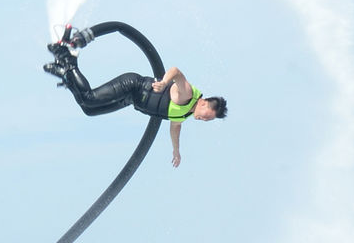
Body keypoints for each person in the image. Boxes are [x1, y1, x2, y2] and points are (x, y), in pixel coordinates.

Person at [43, 25, 227, 167]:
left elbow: (175, 127)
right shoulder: (187, 95)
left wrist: (176, 150)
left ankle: (66, 73)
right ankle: (67, 60)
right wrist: (164, 82)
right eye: (206, 117)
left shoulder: (185, 113)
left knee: (88, 110)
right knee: (89, 98)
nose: (202, 119)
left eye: (206, 120)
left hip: (129, 100)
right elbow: (176, 71)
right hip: (132, 86)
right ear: (203, 104)